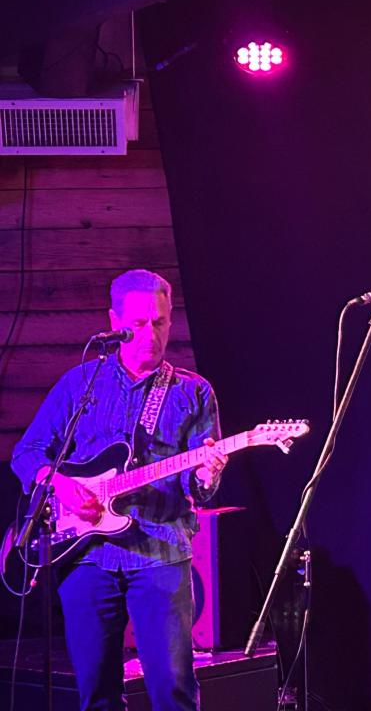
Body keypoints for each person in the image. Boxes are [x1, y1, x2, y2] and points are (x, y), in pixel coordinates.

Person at [11, 269, 227, 711]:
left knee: (173, 691)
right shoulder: (81, 383)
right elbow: (27, 451)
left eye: (161, 322)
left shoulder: (193, 392)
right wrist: (60, 485)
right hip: (86, 555)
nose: (152, 333)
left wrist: (206, 474)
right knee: (96, 693)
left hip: (160, 553)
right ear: (115, 321)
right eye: (140, 323)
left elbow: (198, 488)